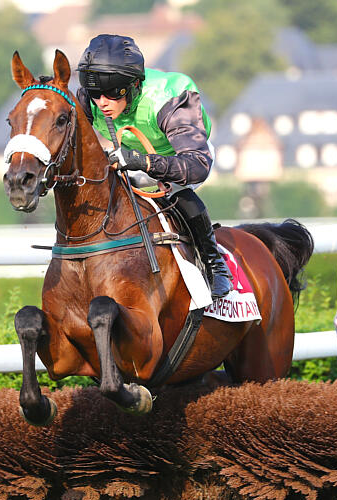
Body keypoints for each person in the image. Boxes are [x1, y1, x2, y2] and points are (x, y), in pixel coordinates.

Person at [75, 34, 232, 300]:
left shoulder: (169, 99)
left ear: (135, 84)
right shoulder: (91, 100)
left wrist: (144, 162)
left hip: (183, 157)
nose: (102, 102)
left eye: (113, 92)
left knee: (177, 193)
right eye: (95, 93)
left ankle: (214, 263)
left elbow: (197, 165)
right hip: (130, 156)